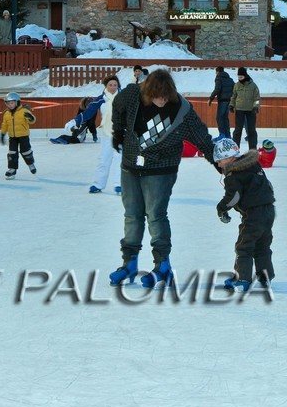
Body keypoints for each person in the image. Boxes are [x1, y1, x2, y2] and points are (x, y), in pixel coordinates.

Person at [106, 68, 214, 289]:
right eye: (157, 96)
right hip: (130, 167)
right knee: (132, 215)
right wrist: (118, 132)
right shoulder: (132, 94)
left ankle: (162, 265)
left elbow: (203, 139)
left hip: (162, 170)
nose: (162, 100)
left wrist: (224, 166)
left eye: (166, 96)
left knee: (155, 215)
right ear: (148, 92)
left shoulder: (182, 110)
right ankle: (130, 263)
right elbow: (117, 107)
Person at [215, 136, 276, 292]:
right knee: (262, 245)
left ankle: (243, 279)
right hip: (268, 211)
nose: (218, 164)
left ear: (228, 158)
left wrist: (221, 208)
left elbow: (233, 197)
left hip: (253, 214)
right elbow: (268, 185)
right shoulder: (254, 165)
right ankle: (265, 277)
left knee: (244, 246)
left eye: (219, 160)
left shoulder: (234, 174)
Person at [85, 75, 123, 193]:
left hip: (121, 133)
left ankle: (119, 185)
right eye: (110, 85)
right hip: (107, 134)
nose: (112, 87)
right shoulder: (101, 99)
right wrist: (75, 121)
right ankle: (98, 184)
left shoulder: (123, 98)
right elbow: (89, 112)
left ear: (118, 86)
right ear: (106, 86)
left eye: (115, 85)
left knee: (119, 159)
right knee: (103, 159)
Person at [0, 92, 37, 178]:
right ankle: (12, 169)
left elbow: (32, 120)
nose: (10, 105)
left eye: (12, 103)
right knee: (12, 153)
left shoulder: (24, 111)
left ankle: (31, 164)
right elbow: (4, 125)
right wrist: (2, 134)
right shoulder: (6, 114)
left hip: (23, 136)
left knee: (26, 151)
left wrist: (30, 118)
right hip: (12, 137)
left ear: (17, 102)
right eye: (8, 103)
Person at [230, 67, 261, 149]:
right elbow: (233, 96)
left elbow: (257, 98)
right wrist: (231, 105)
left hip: (250, 110)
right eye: (238, 77)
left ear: (245, 76)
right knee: (237, 130)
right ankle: (235, 148)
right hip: (239, 110)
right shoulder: (236, 85)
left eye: (241, 77)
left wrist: (256, 107)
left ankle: (253, 149)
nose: (239, 79)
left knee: (251, 130)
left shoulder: (253, 86)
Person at [208, 65, 234, 140]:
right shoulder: (230, 79)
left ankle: (222, 134)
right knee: (225, 118)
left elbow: (217, 89)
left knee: (219, 118)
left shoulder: (219, 78)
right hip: (229, 101)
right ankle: (228, 135)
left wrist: (211, 98)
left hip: (222, 101)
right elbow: (234, 89)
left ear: (217, 71)